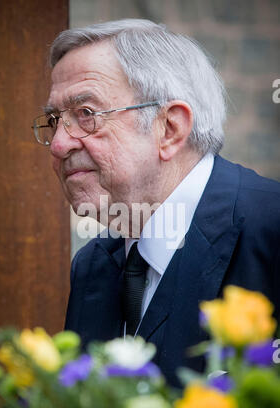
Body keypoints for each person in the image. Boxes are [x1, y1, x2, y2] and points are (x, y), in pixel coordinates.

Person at [33, 19, 280, 388]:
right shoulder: (94, 265)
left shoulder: (271, 230)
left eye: (86, 114)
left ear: (170, 128)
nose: (58, 145)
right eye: (54, 120)